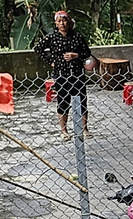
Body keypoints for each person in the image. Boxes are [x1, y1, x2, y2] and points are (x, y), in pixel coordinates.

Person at [34, 10, 93, 139]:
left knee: (82, 101)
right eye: (59, 21)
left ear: (69, 22)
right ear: (55, 23)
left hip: (77, 73)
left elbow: (87, 52)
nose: (62, 23)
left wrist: (76, 55)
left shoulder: (77, 36)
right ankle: (64, 130)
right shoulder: (51, 37)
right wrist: (51, 61)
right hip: (61, 74)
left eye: (64, 20)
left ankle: (85, 129)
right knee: (63, 101)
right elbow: (38, 48)